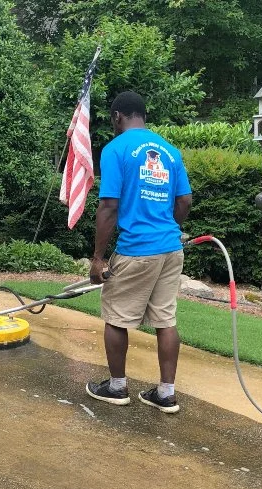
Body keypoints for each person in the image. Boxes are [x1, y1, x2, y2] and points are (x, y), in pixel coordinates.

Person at [86, 91, 193, 414]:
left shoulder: (116, 149)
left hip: (136, 249)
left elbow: (108, 206)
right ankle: (166, 393)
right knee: (165, 319)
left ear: (118, 116)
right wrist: (166, 228)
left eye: (112, 119)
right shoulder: (170, 152)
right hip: (171, 249)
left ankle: (117, 387)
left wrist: (98, 258)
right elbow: (185, 201)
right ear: (143, 116)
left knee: (116, 316)